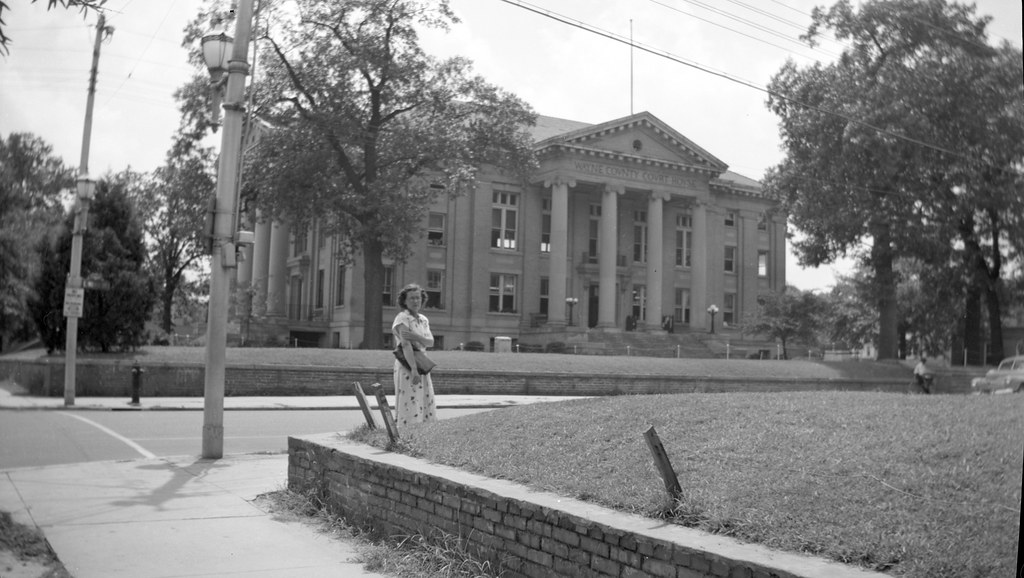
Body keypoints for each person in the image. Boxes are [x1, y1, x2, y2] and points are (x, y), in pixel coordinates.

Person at [391, 283, 436, 428]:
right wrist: (414, 369)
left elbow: (430, 342)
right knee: (409, 400)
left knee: (424, 398)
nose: (416, 301)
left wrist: (416, 337)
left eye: (418, 298)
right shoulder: (402, 318)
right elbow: (406, 345)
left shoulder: (423, 319)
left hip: (422, 363)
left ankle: (424, 431)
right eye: (411, 298)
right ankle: (407, 432)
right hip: (408, 365)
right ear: (404, 301)